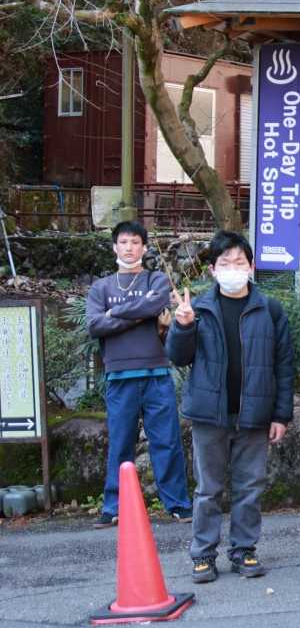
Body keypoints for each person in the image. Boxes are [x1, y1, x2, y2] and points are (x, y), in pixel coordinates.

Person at [167, 231, 294, 582]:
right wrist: (183, 326)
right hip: (210, 414)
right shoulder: (201, 308)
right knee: (208, 489)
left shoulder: (269, 309)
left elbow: (284, 365)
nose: (233, 268)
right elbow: (178, 357)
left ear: (252, 266)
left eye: (240, 262)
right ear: (212, 270)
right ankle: (203, 554)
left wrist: (281, 414)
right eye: (225, 263)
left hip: (254, 414)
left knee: (250, 487)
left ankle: (244, 550)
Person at [86, 220, 191, 529]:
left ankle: (178, 503)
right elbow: (94, 325)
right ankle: (113, 505)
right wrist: (140, 312)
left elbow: (156, 303)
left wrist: (114, 313)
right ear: (115, 247)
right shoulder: (101, 287)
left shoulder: (155, 279)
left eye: (135, 242)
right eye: (123, 242)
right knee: (120, 443)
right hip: (119, 375)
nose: (129, 247)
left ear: (144, 248)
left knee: (167, 441)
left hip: (156, 372)